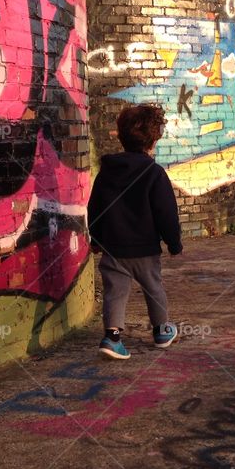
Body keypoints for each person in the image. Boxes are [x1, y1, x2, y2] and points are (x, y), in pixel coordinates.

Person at [87, 104, 182, 360]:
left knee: (115, 291)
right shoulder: (154, 173)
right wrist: (174, 244)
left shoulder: (106, 173)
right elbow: (166, 213)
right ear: (154, 139)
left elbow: (95, 207)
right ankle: (162, 330)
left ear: (121, 135)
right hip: (145, 249)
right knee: (153, 287)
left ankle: (112, 338)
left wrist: (95, 238)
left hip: (113, 247)